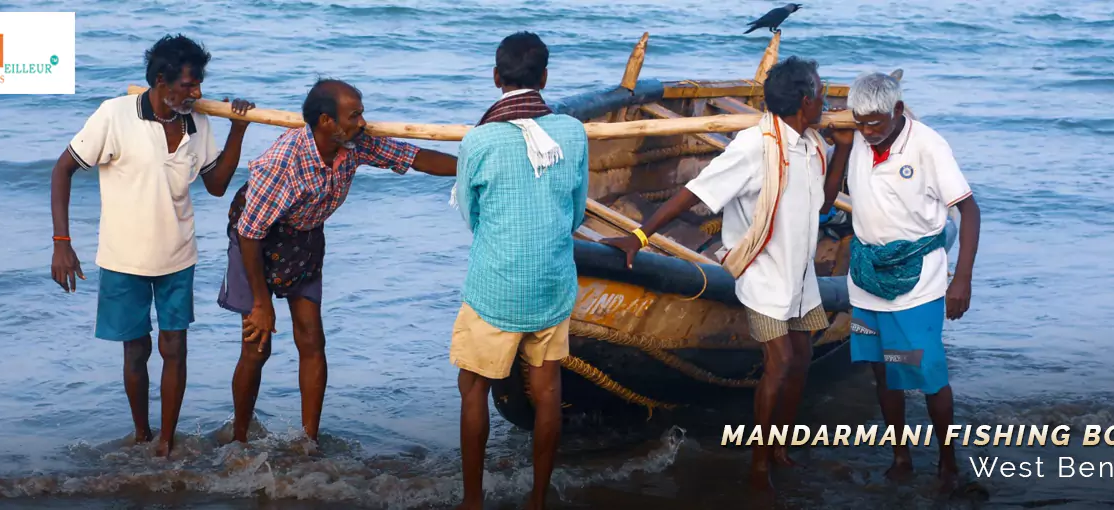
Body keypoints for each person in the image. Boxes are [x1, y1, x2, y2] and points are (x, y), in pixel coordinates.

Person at [601, 56, 852, 490]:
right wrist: (640, 237)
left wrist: (843, 149)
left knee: (803, 358)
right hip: (764, 272)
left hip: (800, 275)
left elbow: (824, 205)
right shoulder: (754, 146)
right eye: (822, 94)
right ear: (806, 101)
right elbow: (694, 192)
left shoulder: (812, 144)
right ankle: (758, 466)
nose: (827, 101)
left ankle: (780, 449)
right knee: (782, 362)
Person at [49, 34, 255, 458]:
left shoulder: (198, 121)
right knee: (136, 350)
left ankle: (165, 443)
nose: (197, 93)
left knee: (174, 347)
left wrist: (238, 130)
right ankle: (142, 434)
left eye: (199, 84)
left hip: (178, 254)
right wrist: (62, 243)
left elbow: (216, 186)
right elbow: (63, 169)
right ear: (161, 81)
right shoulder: (115, 115)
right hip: (124, 257)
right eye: (188, 85)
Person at [222, 78, 457, 446]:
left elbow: (415, 158)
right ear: (326, 122)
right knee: (258, 344)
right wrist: (260, 302)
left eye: (361, 114)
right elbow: (251, 232)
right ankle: (239, 441)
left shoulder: (353, 145)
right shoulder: (282, 162)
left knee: (312, 339)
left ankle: (307, 442)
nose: (363, 123)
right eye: (355, 115)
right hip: (257, 239)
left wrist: (476, 166)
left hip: (306, 235)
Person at [449, 32, 589, 510]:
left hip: (496, 285)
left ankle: (473, 502)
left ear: (496, 78)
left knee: (473, 389)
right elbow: (576, 215)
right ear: (544, 78)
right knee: (547, 390)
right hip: (552, 282)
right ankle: (538, 499)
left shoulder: (479, 139)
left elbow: (470, 215)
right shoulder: (572, 132)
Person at [833, 71, 981, 492]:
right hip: (865, 280)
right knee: (883, 371)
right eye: (860, 122)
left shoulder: (928, 146)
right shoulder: (859, 138)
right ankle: (901, 456)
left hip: (918, 283)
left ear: (898, 111)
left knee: (928, 375)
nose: (868, 131)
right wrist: (844, 143)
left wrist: (962, 280)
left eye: (876, 123)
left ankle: (947, 463)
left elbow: (969, 211)